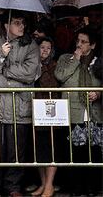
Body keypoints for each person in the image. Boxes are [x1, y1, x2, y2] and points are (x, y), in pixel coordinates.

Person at [0, 12, 41, 197]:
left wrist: (5, 70)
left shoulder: (31, 46)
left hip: (19, 105)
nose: (21, 26)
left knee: (17, 149)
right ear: (6, 26)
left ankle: (13, 187)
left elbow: (30, 73)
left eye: (23, 22)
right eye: (16, 22)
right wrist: (0, 57)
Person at [54, 27, 102, 196]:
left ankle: (93, 187)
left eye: (84, 42)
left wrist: (98, 93)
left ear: (93, 45)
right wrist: (75, 59)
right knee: (74, 151)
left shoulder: (99, 62)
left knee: (94, 151)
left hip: (94, 113)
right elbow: (60, 76)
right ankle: (76, 187)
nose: (79, 44)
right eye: (78, 41)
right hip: (73, 111)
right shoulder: (65, 58)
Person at [32, 37, 60, 197]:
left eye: (48, 48)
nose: (44, 51)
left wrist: (42, 68)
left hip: (52, 111)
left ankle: (50, 184)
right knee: (39, 150)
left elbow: (50, 83)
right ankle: (43, 184)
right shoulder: (32, 63)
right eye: (42, 47)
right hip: (36, 110)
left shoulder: (54, 65)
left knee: (51, 149)